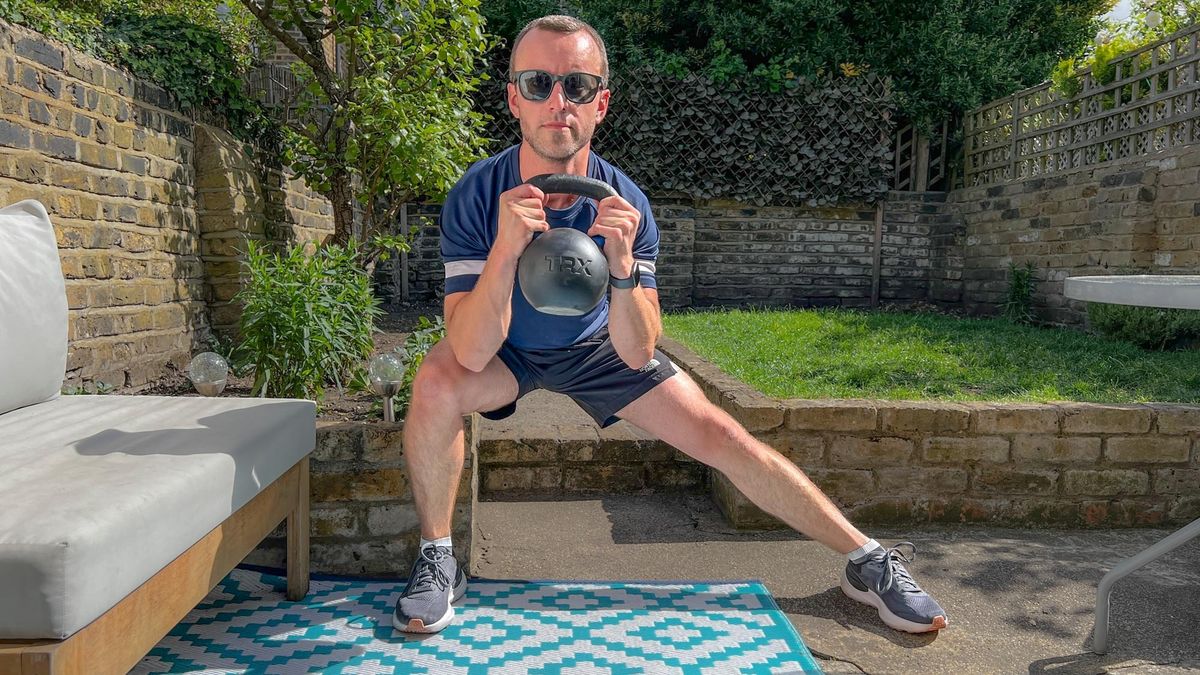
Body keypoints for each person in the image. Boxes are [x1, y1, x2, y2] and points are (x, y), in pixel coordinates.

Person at [392, 14, 949, 636]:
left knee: (723, 435)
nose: (558, 102)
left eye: (576, 87)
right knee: (437, 383)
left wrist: (624, 266)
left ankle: (865, 560)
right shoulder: (477, 194)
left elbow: (636, 351)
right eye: (538, 82)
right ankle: (438, 558)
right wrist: (503, 250)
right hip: (505, 352)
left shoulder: (625, 203)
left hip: (598, 348)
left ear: (600, 104)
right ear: (513, 99)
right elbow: (468, 350)